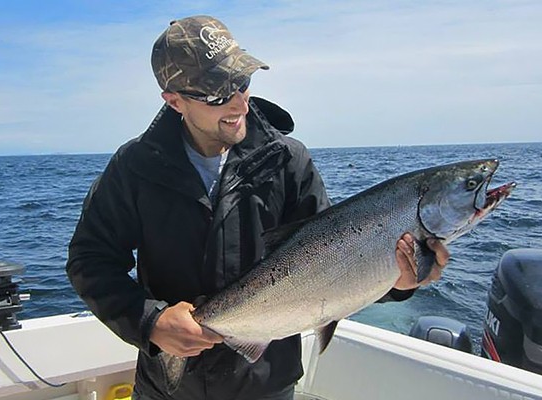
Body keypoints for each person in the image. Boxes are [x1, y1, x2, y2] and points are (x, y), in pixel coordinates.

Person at [66, 15, 449, 400]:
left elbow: (335, 266)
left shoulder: (287, 160)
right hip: (167, 389)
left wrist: (396, 282)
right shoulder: (136, 167)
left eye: (242, 82)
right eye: (217, 94)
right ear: (175, 100)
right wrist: (151, 322)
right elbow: (90, 258)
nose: (239, 102)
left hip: (265, 385)